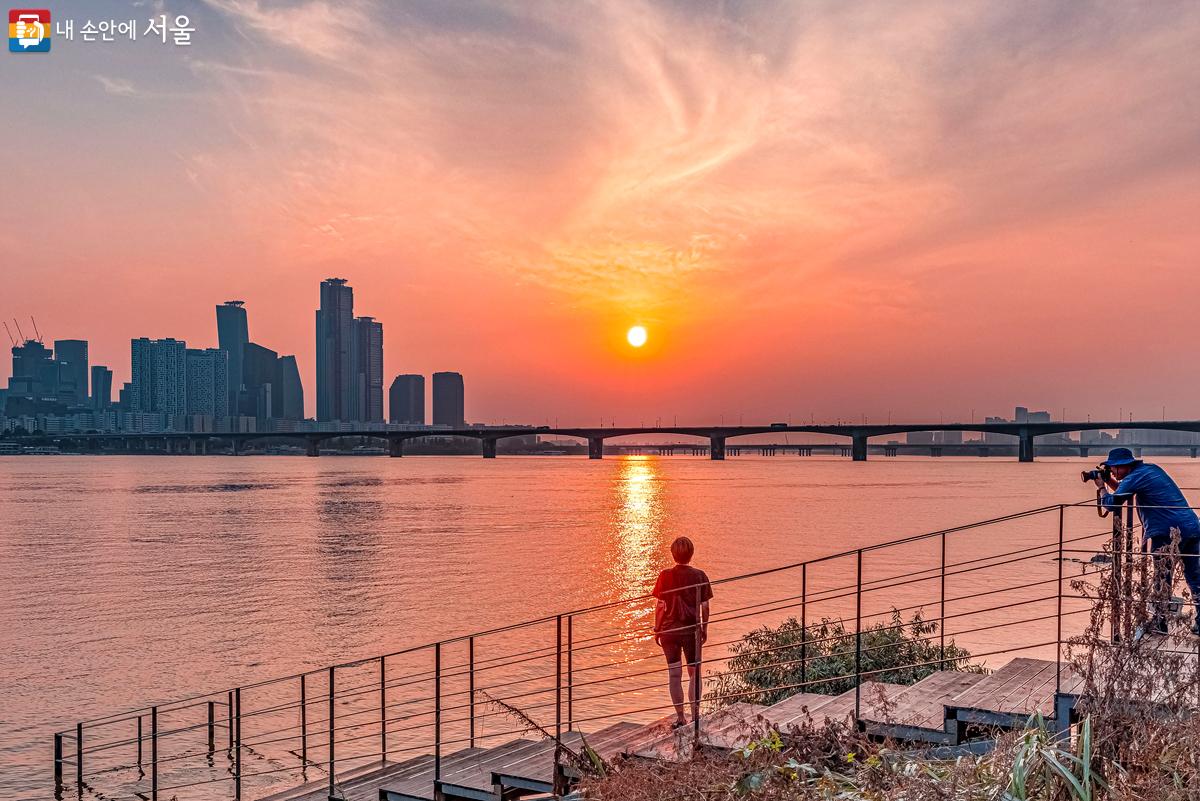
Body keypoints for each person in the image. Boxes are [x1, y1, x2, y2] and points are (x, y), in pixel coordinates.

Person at [1096, 447, 1200, 635]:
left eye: (1113, 468)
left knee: (1162, 578)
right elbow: (1123, 492)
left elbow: (1111, 504)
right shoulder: (1150, 470)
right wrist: (1109, 481)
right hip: (1191, 526)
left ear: (1123, 466)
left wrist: (1101, 487)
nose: (1112, 471)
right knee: (1195, 577)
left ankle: (1160, 623)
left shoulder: (1134, 477)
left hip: (1167, 532)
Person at [652, 536, 713, 729]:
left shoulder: (664, 576)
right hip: (690, 631)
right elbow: (705, 607)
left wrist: (657, 629)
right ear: (691, 553)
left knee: (674, 674)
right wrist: (704, 629)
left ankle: (680, 717)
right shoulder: (700, 576)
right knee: (694, 672)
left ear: (673, 554)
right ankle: (695, 716)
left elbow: (660, 605)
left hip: (669, 631)